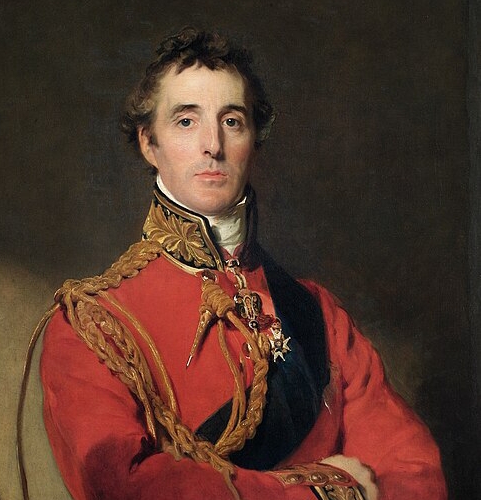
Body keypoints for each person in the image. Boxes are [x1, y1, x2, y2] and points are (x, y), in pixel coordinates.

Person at [39, 27, 447, 500]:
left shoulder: (318, 313)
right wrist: (322, 492)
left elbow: (412, 470)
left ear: (254, 138)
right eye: (186, 121)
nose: (213, 144)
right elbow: (128, 484)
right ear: (149, 142)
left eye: (232, 121)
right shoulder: (93, 325)